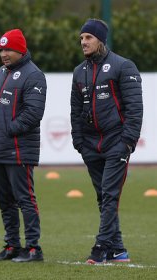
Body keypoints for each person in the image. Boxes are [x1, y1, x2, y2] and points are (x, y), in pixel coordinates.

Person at [70, 19, 143, 264]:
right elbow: (75, 110)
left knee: (110, 195)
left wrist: (128, 141)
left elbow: (135, 109)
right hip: (90, 146)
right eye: (81, 38)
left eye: (88, 38)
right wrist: (78, 140)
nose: (83, 42)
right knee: (103, 197)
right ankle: (118, 249)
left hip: (116, 143)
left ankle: (101, 247)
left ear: (100, 39)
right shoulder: (79, 71)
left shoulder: (123, 66)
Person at [0, 29, 47, 262]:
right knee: (5, 201)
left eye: (9, 49)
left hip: (19, 149)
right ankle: (11, 245)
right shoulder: (1, 73)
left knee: (24, 199)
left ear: (21, 50)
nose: (4, 54)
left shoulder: (34, 75)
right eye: (1, 50)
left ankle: (33, 248)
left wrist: (9, 128)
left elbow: (34, 113)